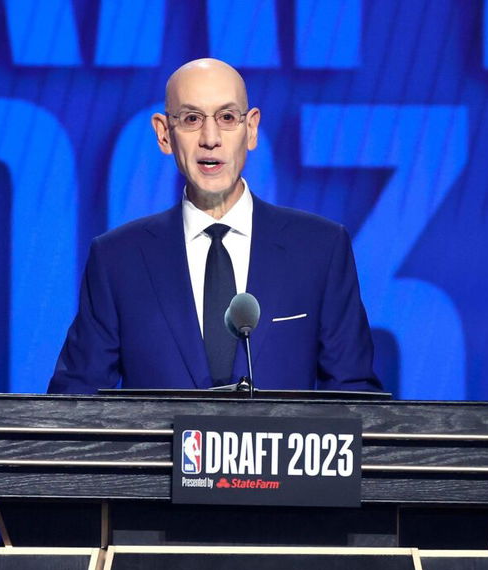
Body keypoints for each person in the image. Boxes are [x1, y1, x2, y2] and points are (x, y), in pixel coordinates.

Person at [47, 58, 380, 394]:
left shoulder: (319, 249)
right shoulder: (117, 259)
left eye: (227, 117)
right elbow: (74, 402)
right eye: (191, 119)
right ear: (164, 135)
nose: (210, 138)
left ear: (251, 130)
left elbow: (354, 399)